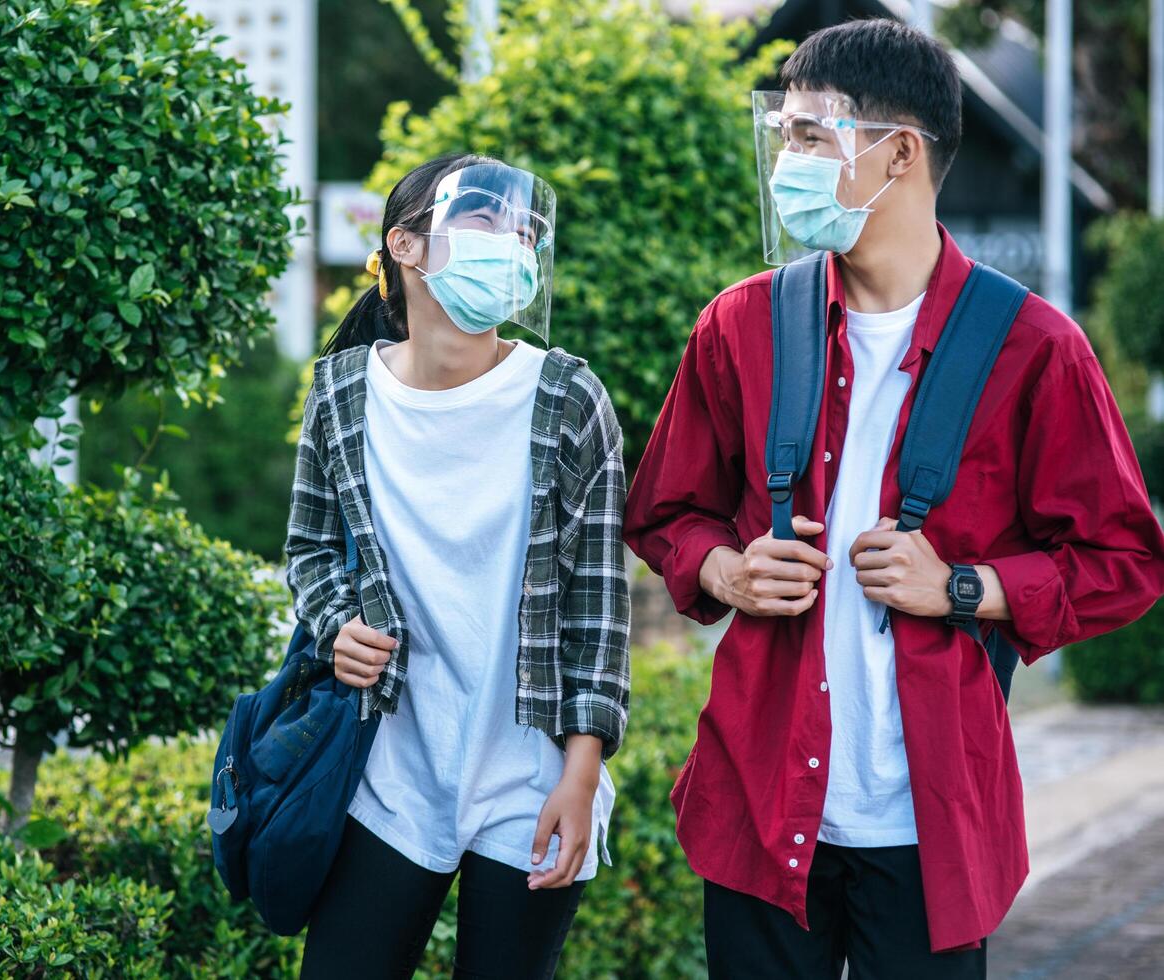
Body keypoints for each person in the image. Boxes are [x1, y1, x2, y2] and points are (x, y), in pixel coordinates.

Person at [624, 18, 1164, 979]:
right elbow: (665, 511)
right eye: (780, 134)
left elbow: (1124, 561)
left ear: (898, 153)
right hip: (758, 806)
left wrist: (962, 588)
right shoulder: (742, 323)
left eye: (804, 136)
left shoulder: (1036, 347)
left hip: (932, 824)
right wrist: (724, 569)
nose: (783, 157)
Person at [287, 153, 630, 979]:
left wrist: (580, 777)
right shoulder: (340, 393)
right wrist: (339, 626)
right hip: (389, 770)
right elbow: (307, 547)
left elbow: (598, 605)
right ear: (404, 246)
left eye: (525, 229)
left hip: (531, 780)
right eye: (485, 218)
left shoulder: (567, 397)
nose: (512, 240)